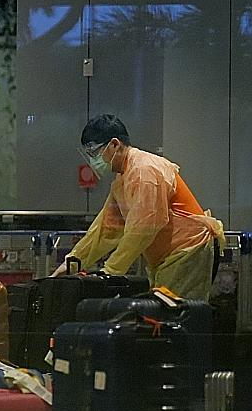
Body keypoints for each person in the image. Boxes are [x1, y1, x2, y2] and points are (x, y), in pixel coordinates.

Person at [55, 113, 225, 300]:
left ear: (114, 144)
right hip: (169, 257)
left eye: (94, 152)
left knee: (175, 321)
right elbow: (106, 229)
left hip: (188, 251)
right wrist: (73, 262)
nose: (92, 160)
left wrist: (112, 269)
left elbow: (144, 227)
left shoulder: (145, 171)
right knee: (160, 318)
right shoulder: (123, 177)